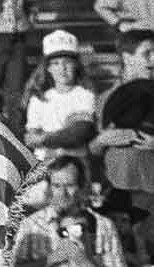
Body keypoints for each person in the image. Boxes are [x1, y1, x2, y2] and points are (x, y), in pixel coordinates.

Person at [89, 26, 154, 224]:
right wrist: (102, 140)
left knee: (150, 245)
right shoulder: (105, 98)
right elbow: (92, 150)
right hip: (116, 183)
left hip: (153, 184)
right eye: (146, 54)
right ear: (127, 57)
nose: (153, 59)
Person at [22, 29, 97, 181]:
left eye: (67, 62)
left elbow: (77, 135)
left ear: (76, 65)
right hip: (45, 165)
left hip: (76, 164)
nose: (62, 69)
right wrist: (58, 136)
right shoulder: (39, 99)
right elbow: (31, 138)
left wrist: (45, 138)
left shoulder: (85, 95)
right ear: (48, 68)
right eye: (55, 63)